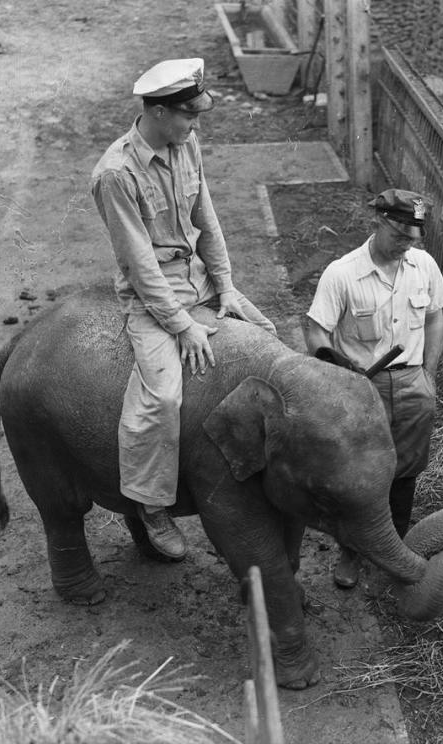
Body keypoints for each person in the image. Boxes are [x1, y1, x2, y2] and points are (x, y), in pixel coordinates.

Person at [91, 58, 276, 560]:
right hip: (153, 298)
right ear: (155, 111)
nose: (196, 124)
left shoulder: (185, 144)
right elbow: (139, 265)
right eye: (188, 115)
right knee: (162, 399)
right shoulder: (115, 174)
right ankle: (152, 506)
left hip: (200, 280)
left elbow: (206, 219)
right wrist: (182, 325)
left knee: (270, 333)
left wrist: (228, 288)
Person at [305, 188, 443, 588]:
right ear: (379, 223)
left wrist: (429, 374)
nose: (407, 245)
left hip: (412, 384)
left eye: (414, 239)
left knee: (404, 473)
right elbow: (318, 329)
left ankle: (395, 552)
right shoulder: (343, 273)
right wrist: (332, 373)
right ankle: (351, 553)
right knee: (360, 474)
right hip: (362, 387)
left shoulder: (423, 266)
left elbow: (436, 317)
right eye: (400, 236)